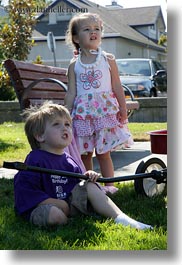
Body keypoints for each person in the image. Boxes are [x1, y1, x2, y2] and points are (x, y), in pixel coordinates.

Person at [14, 102, 152, 230]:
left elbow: (78, 186)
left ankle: (120, 217)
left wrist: (87, 178)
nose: (65, 128)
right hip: (41, 205)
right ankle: (67, 220)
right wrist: (54, 202)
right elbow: (25, 190)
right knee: (55, 216)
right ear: (40, 136)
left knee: (90, 186)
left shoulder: (69, 160)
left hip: (67, 204)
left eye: (68, 124)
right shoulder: (35, 159)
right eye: (56, 124)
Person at [65, 12, 133, 194]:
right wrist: (66, 114)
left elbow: (117, 86)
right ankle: (90, 185)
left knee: (104, 152)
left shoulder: (108, 59)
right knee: (85, 152)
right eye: (86, 29)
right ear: (76, 38)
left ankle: (109, 185)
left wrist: (123, 108)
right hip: (83, 115)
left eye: (96, 29)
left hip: (104, 112)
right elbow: (71, 92)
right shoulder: (74, 65)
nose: (93, 32)